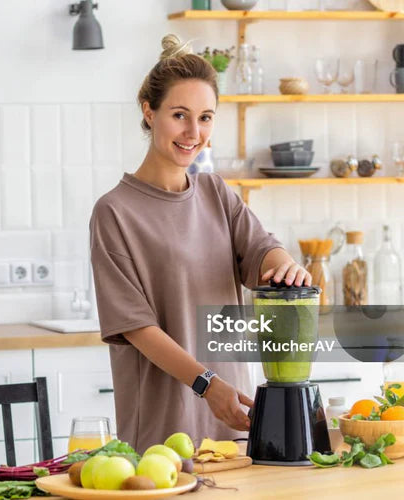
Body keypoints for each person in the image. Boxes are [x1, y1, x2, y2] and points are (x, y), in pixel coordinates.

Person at [89, 34, 311, 452]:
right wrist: (207, 385)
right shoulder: (114, 212)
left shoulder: (215, 193)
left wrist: (286, 266)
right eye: (180, 115)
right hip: (164, 429)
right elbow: (137, 326)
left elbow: (263, 248)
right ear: (149, 112)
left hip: (235, 417)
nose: (194, 132)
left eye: (206, 117)